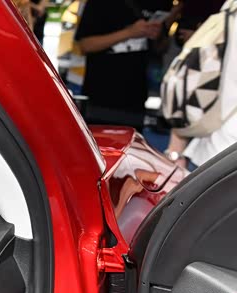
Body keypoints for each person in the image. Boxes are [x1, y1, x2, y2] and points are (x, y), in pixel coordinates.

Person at [75, 0, 178, 129]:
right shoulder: (99, 3)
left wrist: (158, 35)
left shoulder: (160, 3)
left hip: (137, 95)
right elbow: (85, 45)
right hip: (100, 94)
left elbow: (160, 48)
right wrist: (129, 33)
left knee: (132, 138)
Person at [164, 3, 237, 169]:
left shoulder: (231, 9)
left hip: (213, 153)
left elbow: (190, 78)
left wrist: (176, 151)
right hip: (222, 158)